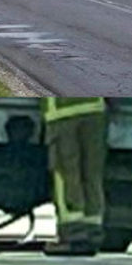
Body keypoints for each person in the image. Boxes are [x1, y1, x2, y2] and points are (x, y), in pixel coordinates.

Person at [42, 97, 107, 254]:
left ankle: (73, 230)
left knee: (66, 172)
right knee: (91, 171)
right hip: (95, 107)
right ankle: (92, 228)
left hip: (62, 111)